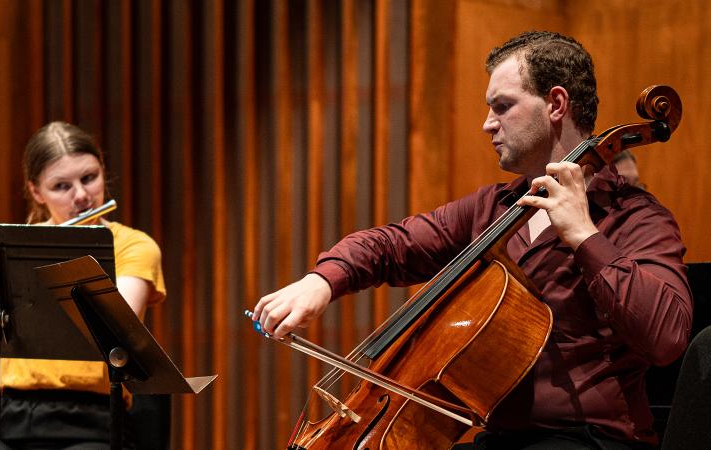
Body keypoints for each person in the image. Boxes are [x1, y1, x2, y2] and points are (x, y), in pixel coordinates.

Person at [252, 31, 692, 449]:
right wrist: (322, 282)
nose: (487, 124)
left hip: (591, 439)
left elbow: (667, 336)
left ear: (556, 103)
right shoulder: (496, 208)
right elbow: (392, 244)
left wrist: (584, 235)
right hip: (501, 439)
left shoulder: (635, 218)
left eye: (502, 106)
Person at [0, 121, 166, 449]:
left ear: (102, 171)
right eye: (61, 186)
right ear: (37, 191)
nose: (82, 195)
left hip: (96, 419)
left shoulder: (133, 246)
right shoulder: (15, 247)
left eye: (89, 178)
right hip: (12, 415)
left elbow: (116, 329)